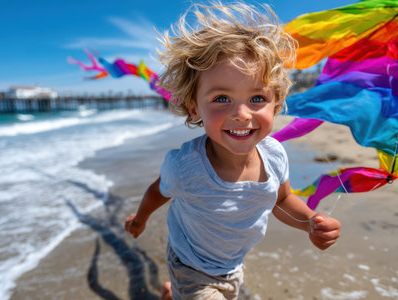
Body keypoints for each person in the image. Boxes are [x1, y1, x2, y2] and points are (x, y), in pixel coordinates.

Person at [125, 2, 341, 299]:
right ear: (194, 107)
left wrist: (310, 223)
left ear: (276, 103)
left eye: (257, 98)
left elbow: (282, 199)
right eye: (222, 98)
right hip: (190, 265)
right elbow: (158, 192)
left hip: (232, 264)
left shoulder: (274, 155)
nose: (241, 113)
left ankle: (169, 294)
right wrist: (140, 220)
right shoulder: (186, 166)